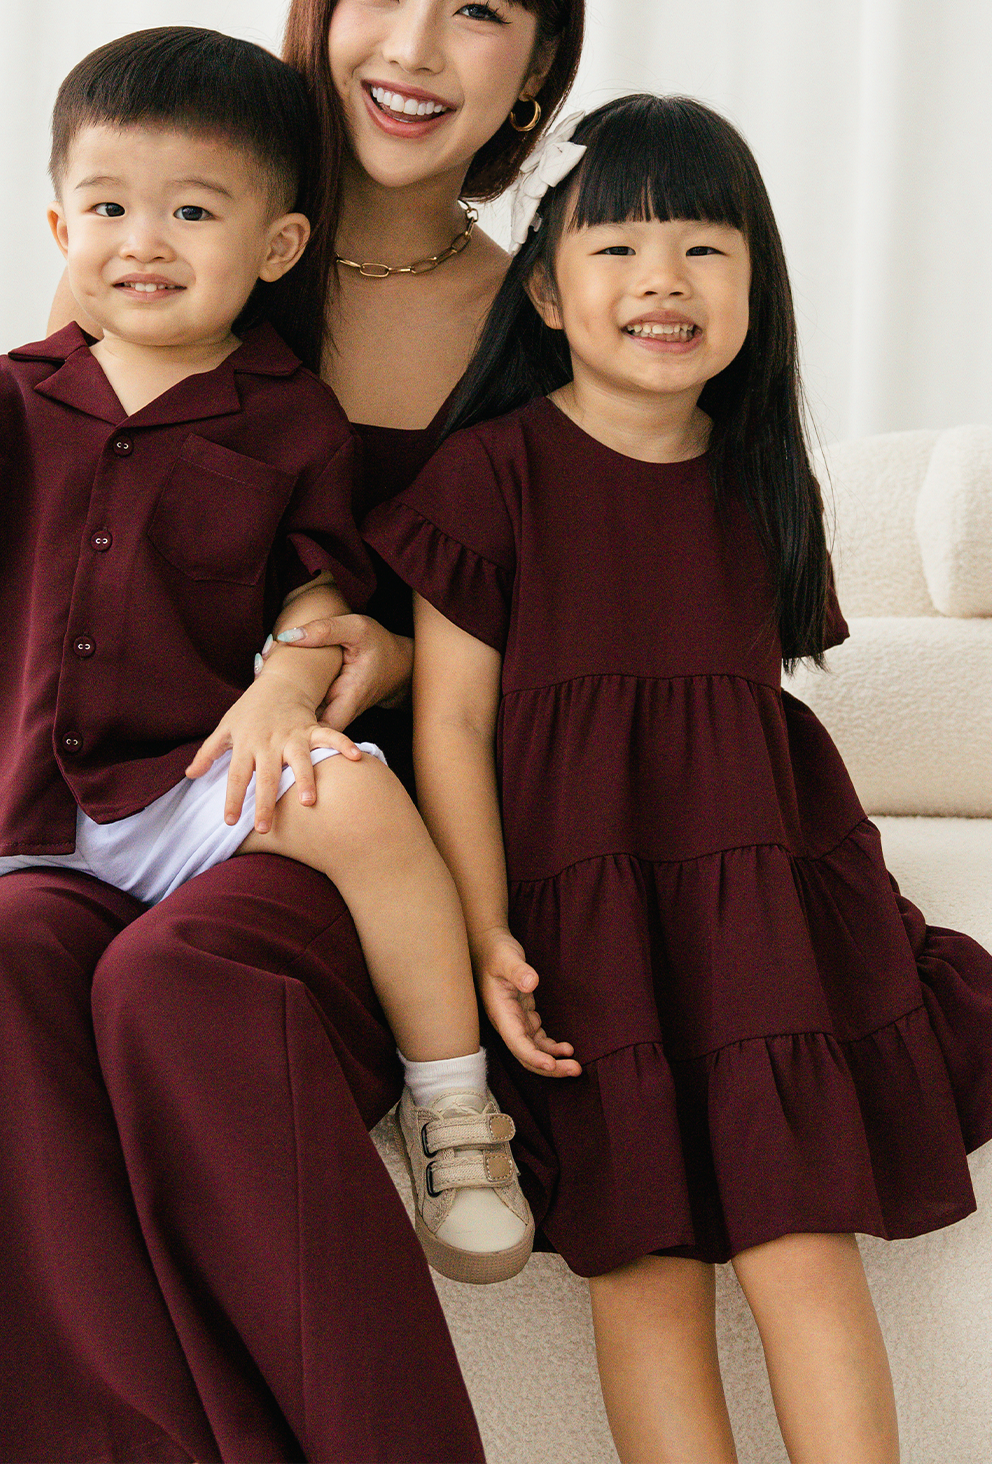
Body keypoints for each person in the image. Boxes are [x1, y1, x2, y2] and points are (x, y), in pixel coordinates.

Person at [0, 0, 585, 1463]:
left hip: (373, 812)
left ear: (534, 72)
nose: (412, 45)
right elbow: (26, 576)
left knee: (178, 984)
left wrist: (366, 655)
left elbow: (571, 630)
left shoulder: (544, 323)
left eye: (477, 9)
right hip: (127, 773)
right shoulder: (159, 258)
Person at [366, 93, 992, 1464]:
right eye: (618, 248)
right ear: (545, 293)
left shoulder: (762, 479)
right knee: (642, 1266)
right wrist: (482, 929)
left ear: (757, 287)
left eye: (706, 247)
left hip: (761, 917)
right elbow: (454, 726)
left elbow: (752, 725)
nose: (664, 279)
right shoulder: (490, 475)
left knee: (801, 1243)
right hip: (586, 920)